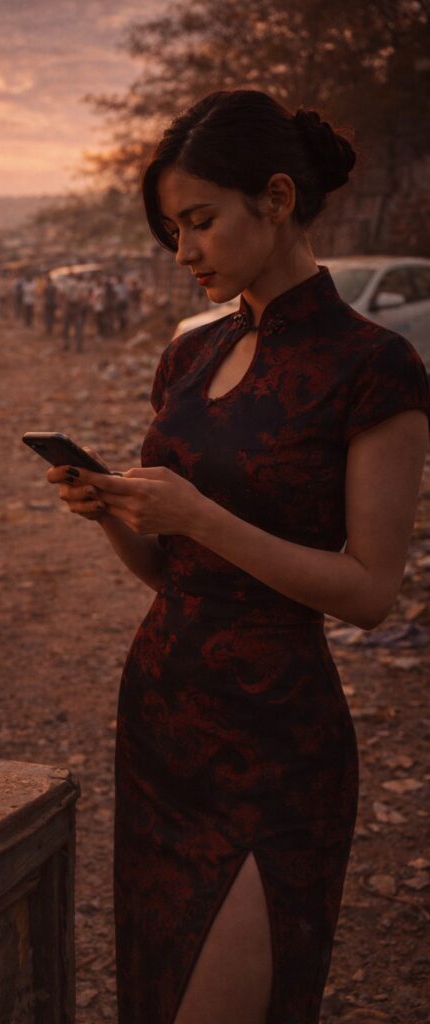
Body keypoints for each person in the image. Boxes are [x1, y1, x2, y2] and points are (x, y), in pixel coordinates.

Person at [44, 90, 429, 1024]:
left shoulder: (374, 367)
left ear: (278, 198)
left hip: (273, 746)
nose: (183, 254)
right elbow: (169, 570)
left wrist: (199, 516)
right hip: (158, 720)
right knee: (154, 993)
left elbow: (370, 594)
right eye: (172, 231)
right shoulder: (185, 356)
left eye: (199, 223)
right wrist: (112, 513)